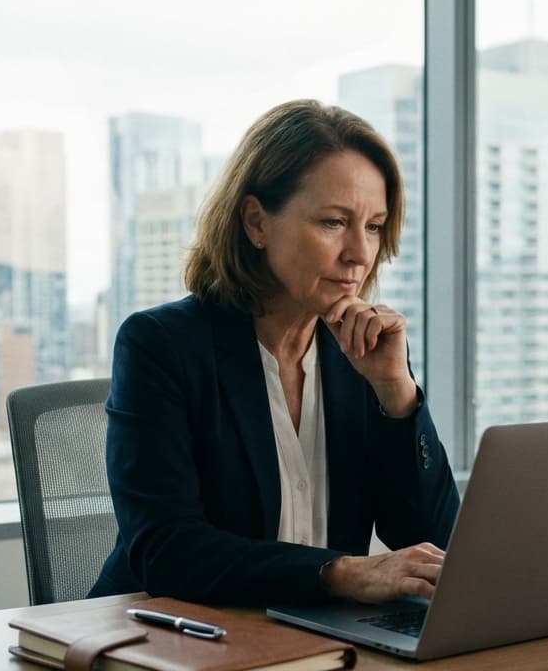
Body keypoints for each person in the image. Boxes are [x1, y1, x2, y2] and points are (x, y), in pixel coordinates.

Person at [89, 100, 460, 607]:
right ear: (256, 223)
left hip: (316, 638)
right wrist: (339, 573)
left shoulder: (365, 354)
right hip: (167, 633)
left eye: (374, 226)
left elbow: (432, 542)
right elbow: (166, 551)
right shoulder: (160, 346)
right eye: (334, 222)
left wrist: (397, 396)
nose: (360, 253)